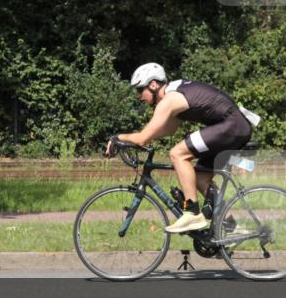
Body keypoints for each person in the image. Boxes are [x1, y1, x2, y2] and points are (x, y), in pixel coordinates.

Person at [107, 62, 253, 233]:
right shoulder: (174, 94)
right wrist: (140, 138)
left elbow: (143, 139)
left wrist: (118, 138)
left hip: (231, 126)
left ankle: (192, 213)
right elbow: (169, 129)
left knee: (178, 154)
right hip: (233, 126)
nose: (139, 96)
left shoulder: (169, 100)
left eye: (140, 90)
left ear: (153, 85)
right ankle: (229, 224)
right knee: (200, 179)